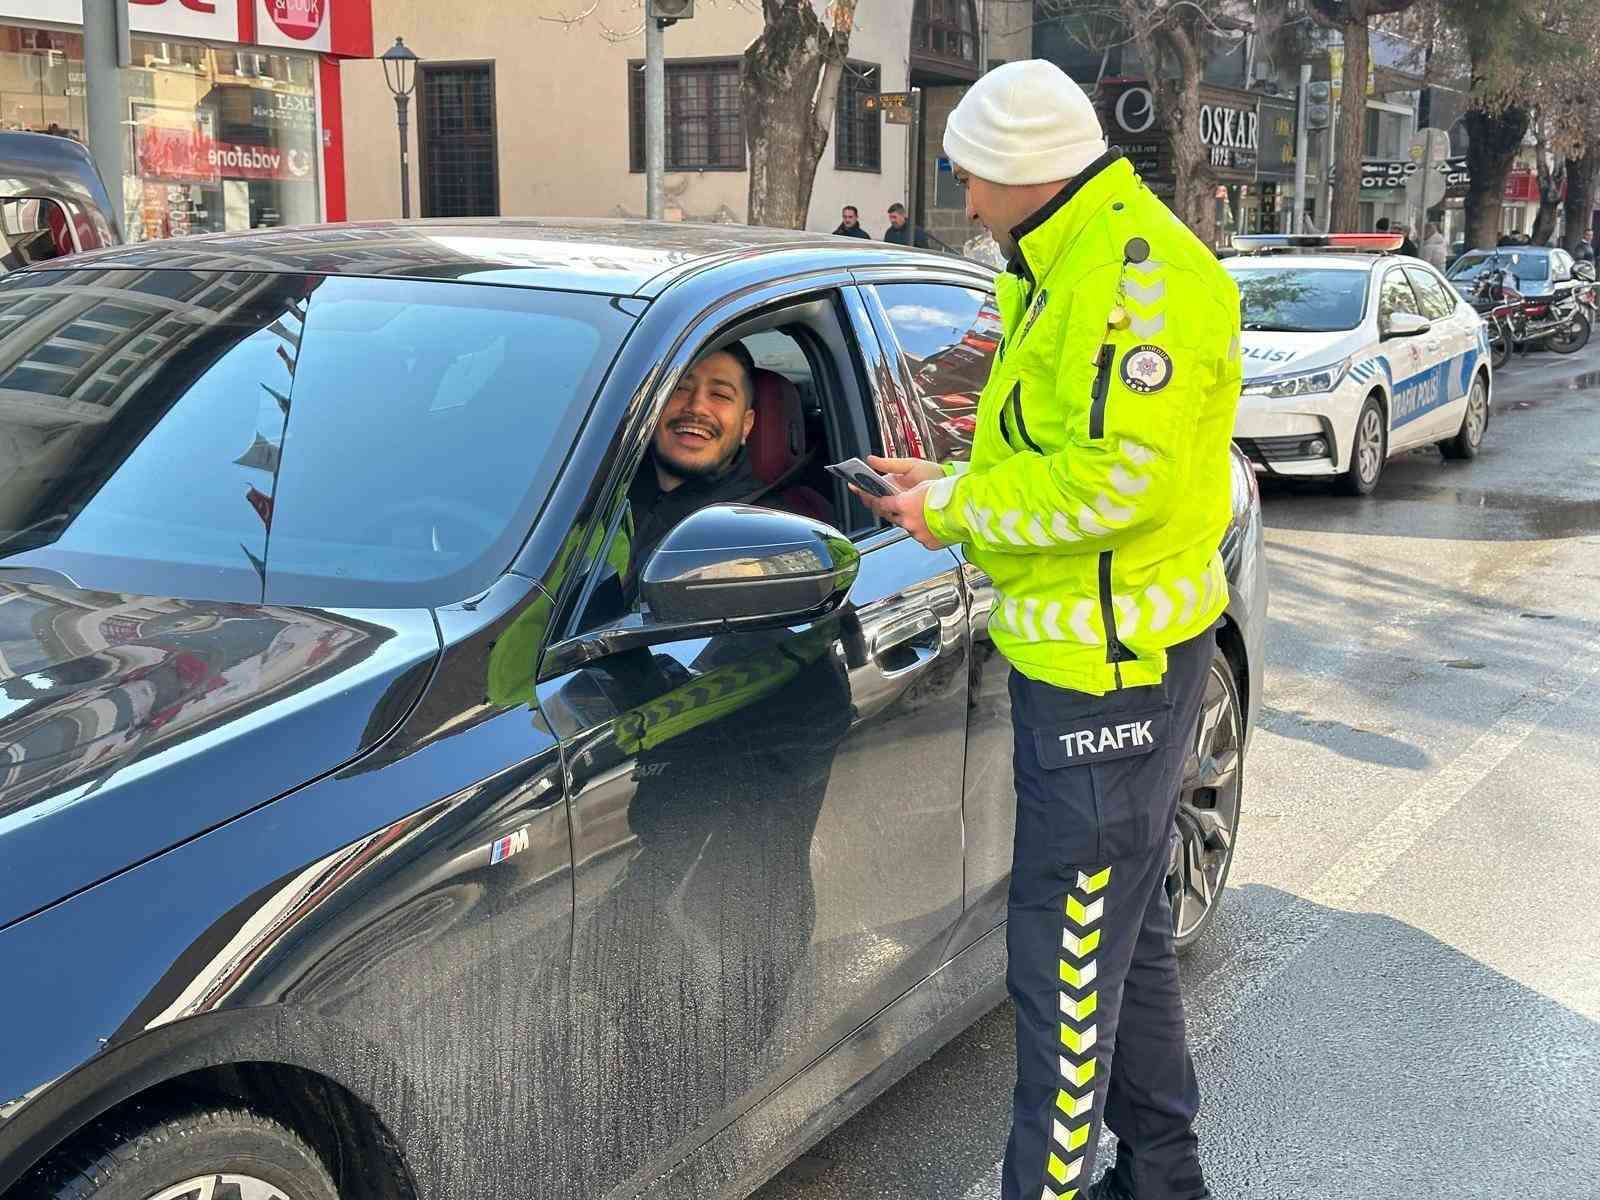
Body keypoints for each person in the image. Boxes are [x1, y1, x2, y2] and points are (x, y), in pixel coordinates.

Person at [854, 59, 1238, 1200]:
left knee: (1064, 967)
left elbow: (1123, 480)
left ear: (1023, 175)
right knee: (1120, 934)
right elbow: (1060, 448)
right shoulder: (1060, 262)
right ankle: (1165, 1178)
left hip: (1111, 673)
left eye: (969, 174)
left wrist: (959, 511)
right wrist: (958, 478)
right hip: (1079, 657)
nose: (962, 198)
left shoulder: (1135, 282)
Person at [626, 342, 760, 585]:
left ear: (746, 425)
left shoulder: (762, 530)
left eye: (719, 395)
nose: (696, 407)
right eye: (679, 388)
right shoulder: (593, 491)